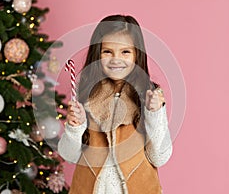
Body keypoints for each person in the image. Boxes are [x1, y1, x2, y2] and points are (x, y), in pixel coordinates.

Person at [58, 14, 172, 194]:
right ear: (97, 54)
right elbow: (69, 155)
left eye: (125, 52)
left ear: (136, 55)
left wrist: (154, 114)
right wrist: (75, 127)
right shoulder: (86, 97)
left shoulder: (149, 97)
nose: (116, 59)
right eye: (107, 51)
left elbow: (159, 157)